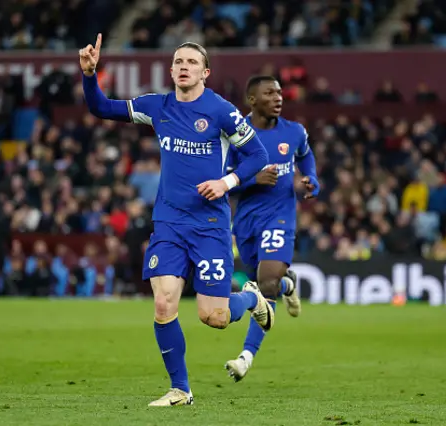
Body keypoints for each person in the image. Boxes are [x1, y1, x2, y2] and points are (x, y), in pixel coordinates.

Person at [79, 35, 272, 407]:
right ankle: (180, 389)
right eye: (178, 62)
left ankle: (248, 297)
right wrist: (90, 74)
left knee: (213, 317)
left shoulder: (221, 111)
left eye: (191, 63)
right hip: (168, 223)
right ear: (171, 70)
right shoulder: (158, 106)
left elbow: (258, 155)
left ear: (205, 72)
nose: (184, 67)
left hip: (211, 227)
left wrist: (226, 182)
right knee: (164, 304)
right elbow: (101, 107)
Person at [224, 75, 320, 381]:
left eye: (280, 92)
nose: (278, 97)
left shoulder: (294, 131)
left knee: (265, 284)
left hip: (280, 216)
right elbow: (222, 180)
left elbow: (306, 156)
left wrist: (311, 180)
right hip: (247, 221)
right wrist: (252, 179)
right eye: (269, 93)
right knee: (268, 285)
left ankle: (246, 357)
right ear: (252, 100)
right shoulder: (235, 134)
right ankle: (287, 285)